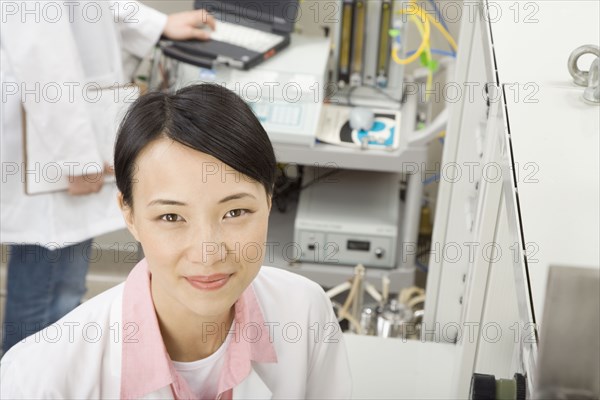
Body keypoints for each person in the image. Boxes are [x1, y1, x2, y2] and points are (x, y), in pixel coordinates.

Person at [0, 83, 352, 399]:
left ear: (269, 200)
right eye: (171, 217)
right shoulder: (39, 380)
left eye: (235, 212)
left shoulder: (305, 313)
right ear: (130, 214)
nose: (208, 252)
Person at [0, 1, 216, 354]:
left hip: (62, 127)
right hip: (53, 134)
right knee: (48, 297)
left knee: (60, 288)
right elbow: (40, 52)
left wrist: (155, 24)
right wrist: (76, 155)